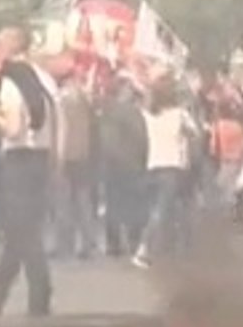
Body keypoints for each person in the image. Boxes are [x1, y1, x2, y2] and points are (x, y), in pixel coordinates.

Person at [0, 26, 57, 320]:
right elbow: (60, 122)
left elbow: (14, 129)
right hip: (42, 158)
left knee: (25, 232)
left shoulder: (11, 80)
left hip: (19, 159)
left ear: (9, 46)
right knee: (19, 232)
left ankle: (41, 294)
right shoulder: (45, 79)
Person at [133, 72, 199, 269]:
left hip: (152, 165)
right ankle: (144, 250)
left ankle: (158, 247)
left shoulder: (147, 114)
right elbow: (195, 132)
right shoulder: (179, 115)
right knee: (162, 210)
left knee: (158, 208)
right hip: (172, 166)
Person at [98, 73, 149, 258]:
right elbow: (141, 139)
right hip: (128, 164)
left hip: (117, 165)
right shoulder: (130, 113)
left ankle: (115, 244)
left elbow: (107, 140)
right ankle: (129, 241)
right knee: (132, 205)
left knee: (116, 205)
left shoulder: (110, 111)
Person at [52, 70, 99, 260]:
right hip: (83, 156)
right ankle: (87, 243)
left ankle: (64, 244)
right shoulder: (85, 103)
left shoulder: (59, 103)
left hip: (63, 156)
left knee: (62, 202)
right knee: (83, 202)